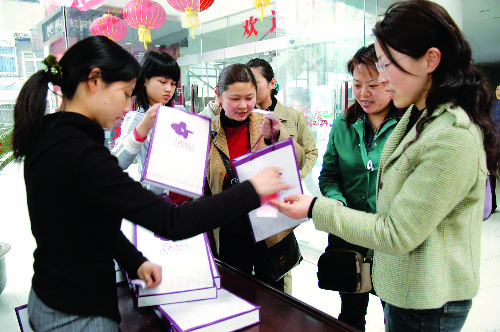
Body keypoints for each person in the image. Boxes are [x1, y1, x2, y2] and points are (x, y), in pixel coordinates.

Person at [12, 36, 288, 331]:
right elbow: (172, 222)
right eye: (126, 92)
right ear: (94, 81)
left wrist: (134, 262)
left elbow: (90, 220)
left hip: (53, 296)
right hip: (78, 312)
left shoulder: (52, 134)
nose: (126, 104)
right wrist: (253, 189)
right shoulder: (80, 152)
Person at [271, 1, 500, 331]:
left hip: (427, 296)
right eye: (379, 63)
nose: (381, 77)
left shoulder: (450, 135)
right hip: (402, 282)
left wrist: (314, 208)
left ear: (431, 59)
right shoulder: (417, 115)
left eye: (389, 64)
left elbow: (397, 232)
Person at [318, 44, 400, 331]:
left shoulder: (406, 124)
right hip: (349, 233)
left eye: (373, 85)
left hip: (390, 237)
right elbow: (329, 175)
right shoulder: (343, 124)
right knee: (351, 315)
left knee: (396, 314)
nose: (363, 93)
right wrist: (336, 201)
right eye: (356, 84)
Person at [205, 63, 305, 292]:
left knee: (274, 296)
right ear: (218, 95)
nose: (243, 105)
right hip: (229, 231)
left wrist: (279, 136)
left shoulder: (266, 123)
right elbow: (203, 192)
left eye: (249, 97)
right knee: (235, 295)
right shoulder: (207, 133)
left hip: (268, 226)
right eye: (235, 98)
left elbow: (297, 160)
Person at [112, 51, 189, 204]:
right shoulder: (137, 118)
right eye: (162, 82)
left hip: (187, 197)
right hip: (159, 201)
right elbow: (117, 162)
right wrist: (141, 131)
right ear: (145, 81)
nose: (169, 89)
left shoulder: (180, 112)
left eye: (173, 83)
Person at [246, 58, 318, 179]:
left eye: (255, 82)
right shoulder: (243, 118)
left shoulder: (294, 117)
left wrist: (298, 175)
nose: (251, 88)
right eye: (247, 83)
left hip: (285, 188)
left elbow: (311, 152)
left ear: (271, 83)